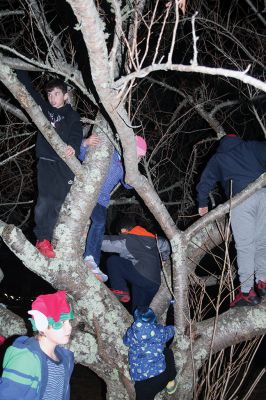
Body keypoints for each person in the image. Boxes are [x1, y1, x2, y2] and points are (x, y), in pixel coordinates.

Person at [16, 70, 83, 258]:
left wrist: (73, 147)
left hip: (65, 165)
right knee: (46, 200)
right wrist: (19, 73)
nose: (52, 98)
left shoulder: (72, 116)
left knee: (60, 204)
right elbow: (31, 92)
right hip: (46, 161)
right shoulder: (46, 111)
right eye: (50, 94)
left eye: (56, 94)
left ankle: (58, 240)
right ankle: (42, 239)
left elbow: (77, 134)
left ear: (65, 95)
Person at [196, 133, 266, 307]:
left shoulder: (219, 158)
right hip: (263, 196)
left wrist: (202, 203)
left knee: (245, 245)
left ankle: (246, 291)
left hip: (241, 200)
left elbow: (205, 181)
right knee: (262, 242)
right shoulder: (251, 146)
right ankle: (263, 282)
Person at [79, 135, 147, 281]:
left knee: (100, 225)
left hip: (101, 201)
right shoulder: (108, 151)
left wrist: (135, 174)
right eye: (137, 155)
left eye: (140, 158)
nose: (138, 159)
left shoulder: (124, 167)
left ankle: (92, 263)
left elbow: (128, 184)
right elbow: (80, 154)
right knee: (98, 223)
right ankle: (90, 258)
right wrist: (85, 143)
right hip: (87, 192)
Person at [0, 291, 74, 399]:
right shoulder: (26, 360)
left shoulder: (64, 360)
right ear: (41, 324)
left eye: (69, 321)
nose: (69, 327)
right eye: (62, 322)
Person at [101, 216, 171, 310]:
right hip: (154, 282)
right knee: (139, 310)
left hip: (141, 275)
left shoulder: (128, 239)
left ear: (123, 230)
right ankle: (143, 321)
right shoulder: (154, 239)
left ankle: (120, 290)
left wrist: (90, 237)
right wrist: (164, 258)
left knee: (113, 261)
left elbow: (107, 243)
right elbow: (166, 244)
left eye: (119, 234)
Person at [123, 307, 177, 400]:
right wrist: (173, 328)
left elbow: (125, 341)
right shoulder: (158, 331)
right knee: (167, 352)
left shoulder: (131, 333)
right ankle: (171, 382)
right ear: (153, 319)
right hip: (160, 375)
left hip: (142, 381)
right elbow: (169, 332)